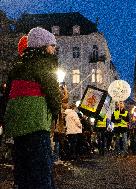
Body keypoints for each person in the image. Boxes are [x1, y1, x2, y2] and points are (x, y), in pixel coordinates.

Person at [4, 27, 61, 188]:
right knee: (42, 171)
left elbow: (7, 96)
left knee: (23, 170)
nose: (54, 49)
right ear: (42, 46)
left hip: (17, 126)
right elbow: (53, 94)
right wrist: (55, 113)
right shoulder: (44, 65)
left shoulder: (17, 67)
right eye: (52, 45)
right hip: (37, 123)